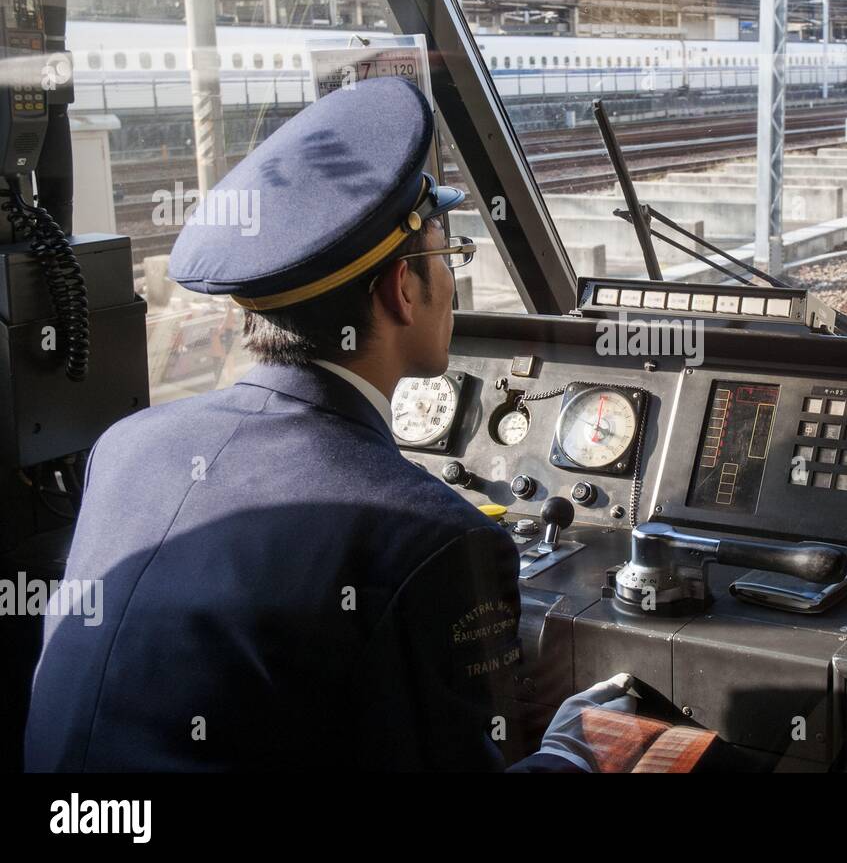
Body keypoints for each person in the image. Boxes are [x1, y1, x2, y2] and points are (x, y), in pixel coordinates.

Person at [25, 76, 628, 771]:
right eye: (446, 258)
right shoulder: (435, 540)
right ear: (404, 289)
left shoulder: (128, 448)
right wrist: (573, 750)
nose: (452, 284)